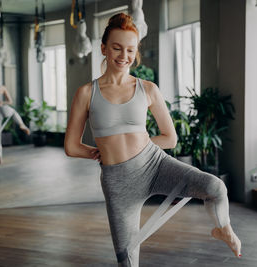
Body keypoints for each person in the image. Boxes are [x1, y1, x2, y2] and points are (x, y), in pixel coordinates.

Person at [64, 13, 241, 267]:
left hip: (155, 165)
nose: (123, 55)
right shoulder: (86, 93)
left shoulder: (147, 89)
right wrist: (96, 152)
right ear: (103, 48)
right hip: (117, 181)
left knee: (215, 187)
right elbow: (71, 146)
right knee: (126, 259)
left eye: (130, 50)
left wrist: (141, 147)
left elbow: (170, 138)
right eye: (116, 48)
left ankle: (223, 228)